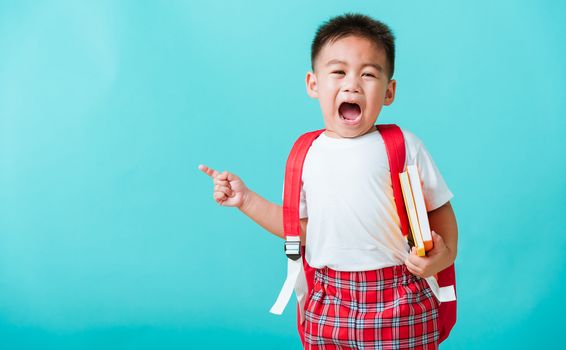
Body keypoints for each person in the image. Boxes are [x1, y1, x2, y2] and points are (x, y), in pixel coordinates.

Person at [199, 13, 458, 349]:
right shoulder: (304, 154)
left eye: (368, 74)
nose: (352, 84)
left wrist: (443, 255)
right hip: (329, 298)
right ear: (313, 84)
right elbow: (301, 228)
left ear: (389, 91)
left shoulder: (404, 145)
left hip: (400, 295)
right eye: (338, 72)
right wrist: (246, 200)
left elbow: (440, 210)